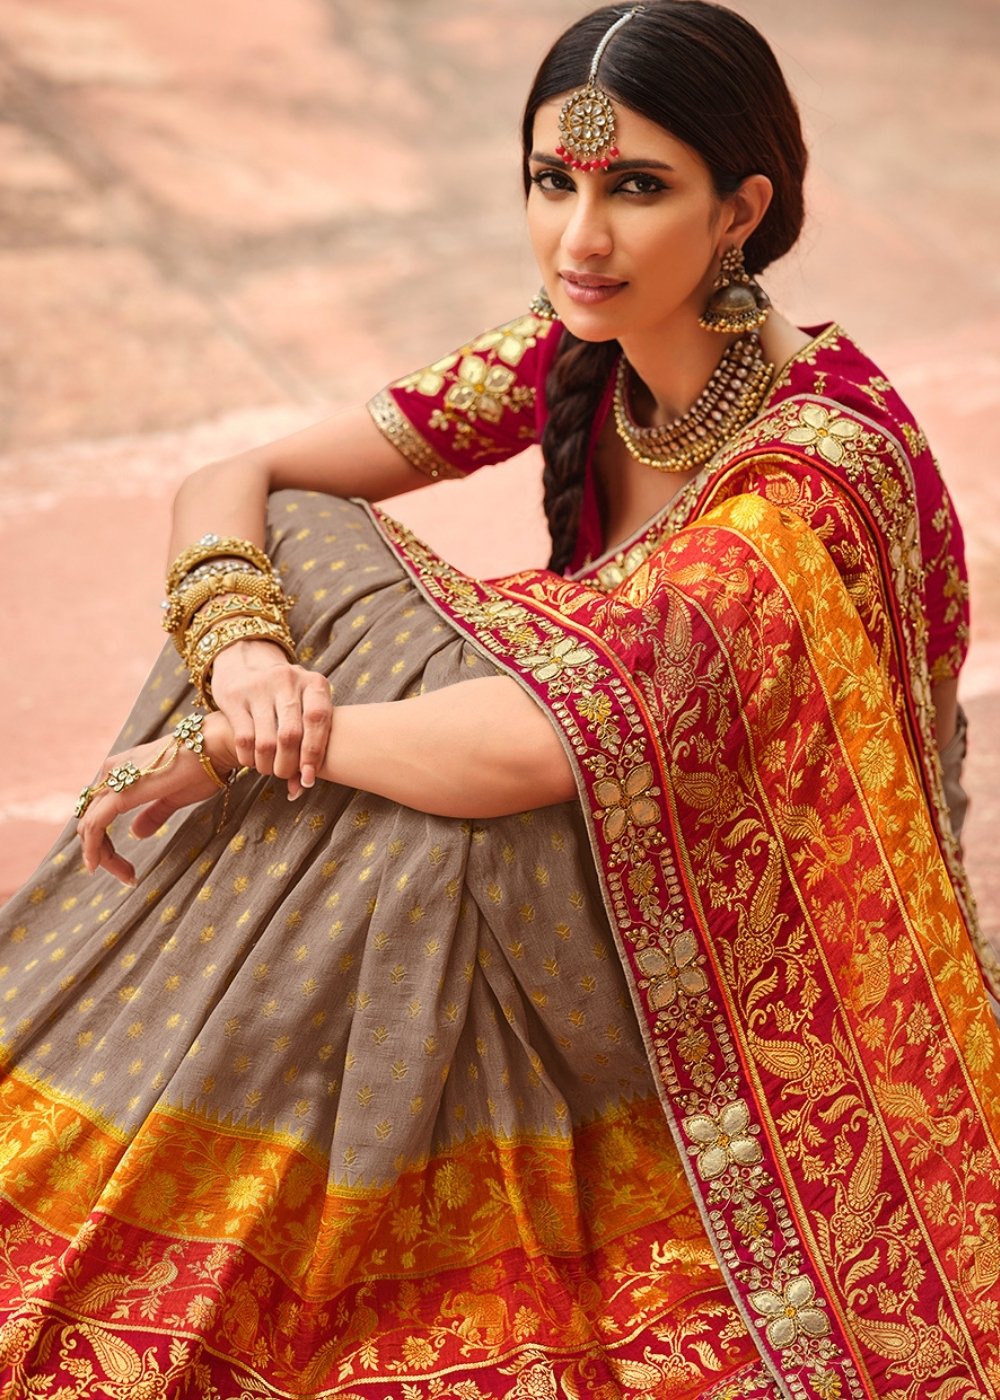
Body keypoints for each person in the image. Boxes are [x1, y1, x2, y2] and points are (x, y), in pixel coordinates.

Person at [1, 3, 998, 1396]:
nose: (578, 239)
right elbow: (236, 483)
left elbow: (532, 752)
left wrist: (231, 747)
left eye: (636, 188)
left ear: (741, 210)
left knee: (410, 839)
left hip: (720, 934)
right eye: (554, 182)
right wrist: (244, 663)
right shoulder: (590, 341)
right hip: (588, 783)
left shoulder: (805, 478)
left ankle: (219, 1164)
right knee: (313, 569)